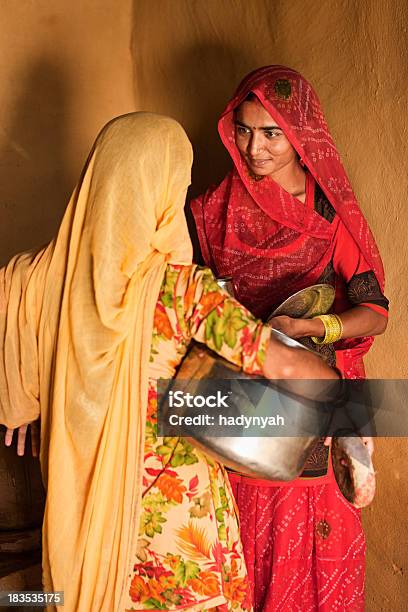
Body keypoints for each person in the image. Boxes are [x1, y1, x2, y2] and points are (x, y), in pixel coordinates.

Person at [0, 112, 338, 612]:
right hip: (173, 522)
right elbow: (290, 370)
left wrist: (24, 405)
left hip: (80, 513)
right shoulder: (180, 290)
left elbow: (16, 378)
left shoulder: (29, 280)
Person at [190, 66, 389, 610]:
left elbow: (375, 313)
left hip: (318, 399)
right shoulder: (210, 211)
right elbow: (189, 298)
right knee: (238, 525)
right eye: (245, 129)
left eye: (272, 133)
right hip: (237, 392)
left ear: (301, 136)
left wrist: (312, 327)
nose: (255, 148)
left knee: (311, 527)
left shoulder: (330, 215)